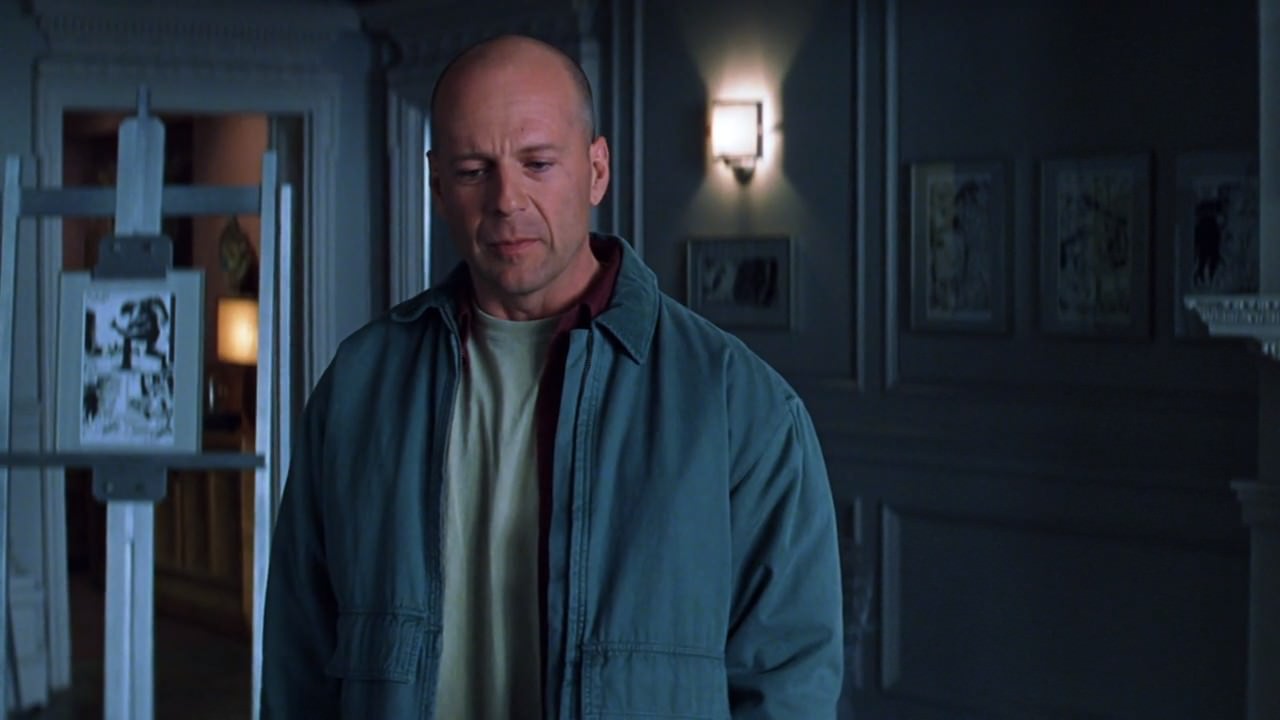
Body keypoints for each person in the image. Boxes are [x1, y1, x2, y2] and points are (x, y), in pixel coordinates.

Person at [261, 34, 843, 719]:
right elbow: (299, 659)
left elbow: (787, 684)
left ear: (597, 170)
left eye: (538, 163)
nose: (507, 199)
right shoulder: (361, 385)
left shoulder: (739, 406)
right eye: (473, 170)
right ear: (437, 185)